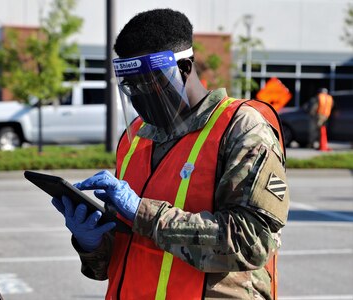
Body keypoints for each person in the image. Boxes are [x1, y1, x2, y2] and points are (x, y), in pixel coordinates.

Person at [52, 8, 290, 299]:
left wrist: (143, 212)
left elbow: (251, 242)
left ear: (184, 68)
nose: (139, 95)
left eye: (148, 83)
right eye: (131, 86)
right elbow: (116, 261)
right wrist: (91, 243)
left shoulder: (241, 128)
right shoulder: (135, 138)